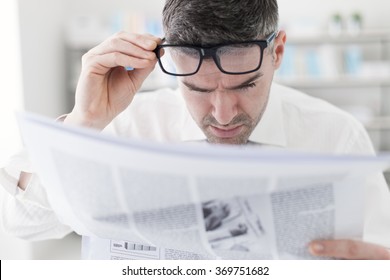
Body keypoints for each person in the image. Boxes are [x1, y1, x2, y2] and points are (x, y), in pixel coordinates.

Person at [1, 0, 390, 259]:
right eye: (197, 89)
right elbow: (20, 223)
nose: (222, 115)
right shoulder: (125, 124)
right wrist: (84, 123)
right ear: (170, 63)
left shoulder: (337, 136)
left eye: (245, 85)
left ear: (279, 53)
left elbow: (379, 247)